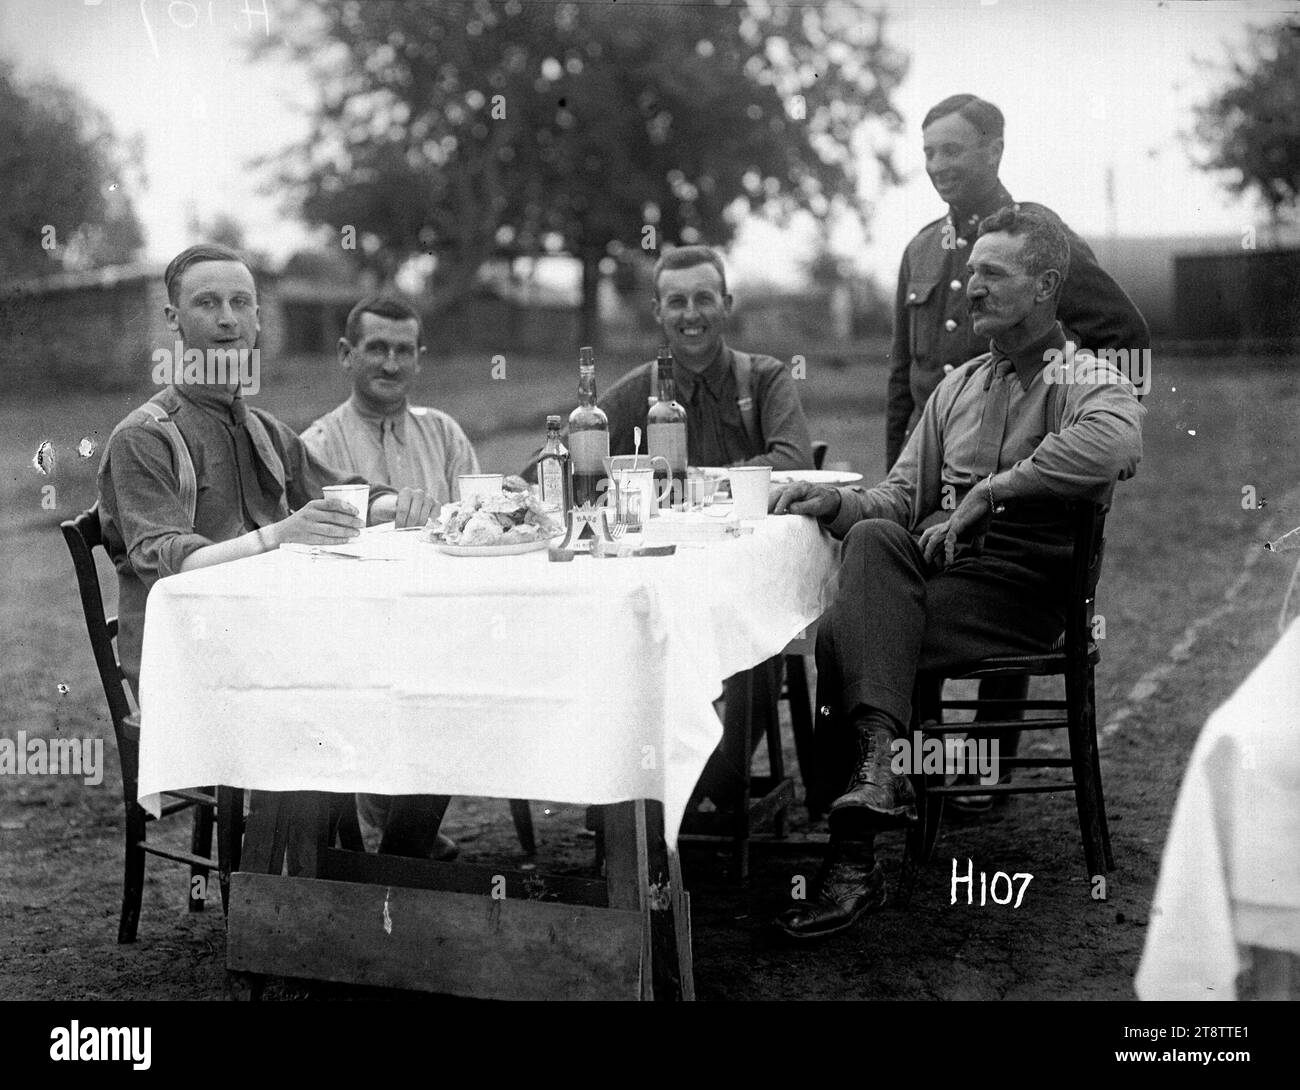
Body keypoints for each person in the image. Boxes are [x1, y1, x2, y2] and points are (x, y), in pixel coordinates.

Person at [769, 207, 1144, 940]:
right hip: (944, 580)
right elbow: (898, 499)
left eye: (991, 273)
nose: (970, 287)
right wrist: (834, 501)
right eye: (969, 271)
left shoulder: (1088, 377)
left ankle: (854, 862)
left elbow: (1115, 444)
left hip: (1024, 593)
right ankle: (880, 769)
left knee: (852, 634)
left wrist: (993, 490)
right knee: (874, 538)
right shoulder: (958, 387)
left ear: (1044, 286)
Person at [98, 244, 439, 856]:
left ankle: (391, 863)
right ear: (174, 320)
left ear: (257, 319)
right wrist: (278, 535)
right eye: (207, 303)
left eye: (241, 303)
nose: (228, 319)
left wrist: (398, 504)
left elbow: (343, 492)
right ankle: (314, 883)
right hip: (193, 669)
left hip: (277, 646)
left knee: (425, 674)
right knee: (351, 690)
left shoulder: (260, 427)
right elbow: (165, 560)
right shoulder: (143, 438)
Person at [886, 94, 1150, 807]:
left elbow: (1123, 332)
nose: (939, 165)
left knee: (983, 610)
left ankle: (984, 772)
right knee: (905, 589)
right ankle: (923, 773)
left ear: (994, 151)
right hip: (939, 449)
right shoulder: (920, 248)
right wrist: (903, 475)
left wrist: (1066, 420)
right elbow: (903, 375)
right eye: (929, 151)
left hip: (1021, 483)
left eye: (954, 150)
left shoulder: (1038, 236)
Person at [600, 245, 815, 809]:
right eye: (677, 302)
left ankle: (715, 786)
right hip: (672, 581)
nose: (691, 314)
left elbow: (791, 460)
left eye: (703, 298)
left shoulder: (763, 377)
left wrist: (695, 483)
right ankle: (691, 788)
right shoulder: (637, 389)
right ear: (657, 311)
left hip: (746, 578)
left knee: (763, 630)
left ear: (727, 303)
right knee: (625, 637)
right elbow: (566, 459)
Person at [301, 293, 481, 860]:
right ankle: (405, 847)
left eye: (404, 351)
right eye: (376, 348)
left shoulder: (445, 434)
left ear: (420, 359)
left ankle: (404, 840)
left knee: (481, 673)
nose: (390, 364)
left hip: (444, 618)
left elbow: (477, 522)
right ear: (345, 354)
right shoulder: (319, 445)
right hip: (355, 632)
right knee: (426, 691)